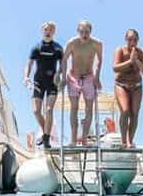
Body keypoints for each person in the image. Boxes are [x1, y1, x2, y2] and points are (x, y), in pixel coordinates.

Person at [60, 20, 103, 146]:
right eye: (82, 32)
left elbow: (100, 60)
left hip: (89, 76)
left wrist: (97, 77)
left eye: (87, 32)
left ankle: (84, 139)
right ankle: (73, 139)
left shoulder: (97, 44)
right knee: (74, 107)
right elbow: (64, 60)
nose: (84, 34)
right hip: (74, 76)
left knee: (89, 108)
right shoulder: (72, 43)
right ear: (78, 31)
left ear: (90, 32)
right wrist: (63, 78)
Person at [23, 21, 64, 149]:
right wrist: (26, 77)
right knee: (36, 111)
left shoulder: (58, 48)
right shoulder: (36, 47)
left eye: (51, 29)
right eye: (46, 29)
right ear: (42, 31)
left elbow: (63, 65)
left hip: (52, 82)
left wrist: (59, 73)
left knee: (49, 109)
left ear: (54, 32)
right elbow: (29, 64)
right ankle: (46, 132)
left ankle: (46, 138)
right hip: (38, 82)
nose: (48, 31)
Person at [112, 29, 143, 148]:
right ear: (125, 39)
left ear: (138, 40)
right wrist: (129, 61)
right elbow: (115, 68)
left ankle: (130, 140)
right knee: (125, 111)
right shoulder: (120, 50)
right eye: (129, 39)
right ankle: (124, 141)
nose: (132, 42)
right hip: (121, 84)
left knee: (134, 113)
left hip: (136, 86)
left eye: (134, 40)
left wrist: (136, 61)